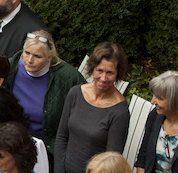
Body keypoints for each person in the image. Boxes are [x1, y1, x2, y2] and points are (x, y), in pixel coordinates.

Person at [7, 30, 86, 158]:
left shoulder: (68, 77)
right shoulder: (11, 66)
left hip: (47, 148)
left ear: (50, 58)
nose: (29, 60)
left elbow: (86, 108)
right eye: (26, 53)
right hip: (11, 141)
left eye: (37, 56)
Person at [55, 42, 130, 173]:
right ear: (92, 68)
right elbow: (62, 136)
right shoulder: (75, 93)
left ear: (118, 73)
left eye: (110, 73)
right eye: (99, 70)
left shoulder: (119, 112)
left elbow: (111, 161)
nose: (103, 78)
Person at [135, 71, 178, 173]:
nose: (152, 101)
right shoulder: (155, 116)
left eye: (159, 98)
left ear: (175, 100)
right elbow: (143, 156)